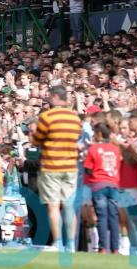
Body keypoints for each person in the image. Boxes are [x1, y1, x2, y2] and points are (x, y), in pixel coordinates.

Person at [31, 85, 83, 252]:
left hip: (51, 166)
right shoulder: (75, 118)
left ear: (54, 97)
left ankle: (58, 242)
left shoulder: (47, 116)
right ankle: (71, 244)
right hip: (70, 167)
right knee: (69, 205)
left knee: (53, 206)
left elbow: (37, 141)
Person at [85, 123, 122, 254]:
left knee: (102, 217)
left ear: (99, 134)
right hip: (113, 184)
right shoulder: (115, 149)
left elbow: (88, 168)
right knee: (114, 216)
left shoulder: (93, 149)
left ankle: (103, 247)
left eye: (95, 132)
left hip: (98, 184)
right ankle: (116, 248)